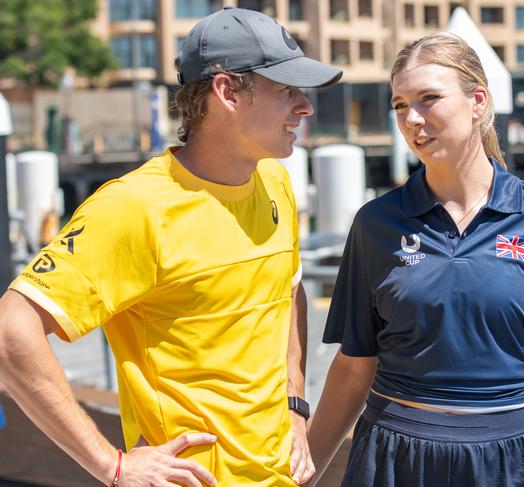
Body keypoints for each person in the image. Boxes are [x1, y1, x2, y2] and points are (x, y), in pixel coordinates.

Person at [0, 7, 341, 486]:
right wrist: (111, 465)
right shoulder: (134, 207)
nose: (305, 107)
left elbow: (289, 289)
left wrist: (295, 405)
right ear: (226, 92)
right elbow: (10, 332)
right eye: (286, 90)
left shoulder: (275, 181)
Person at [307, 33, 524, 487]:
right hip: (391, 456)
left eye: (429, 99)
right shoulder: (375, 223)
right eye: (400, 104)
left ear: (478, 102)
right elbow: (352, 366)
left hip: (502, 459)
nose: (412, 118)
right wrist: (303, 474)